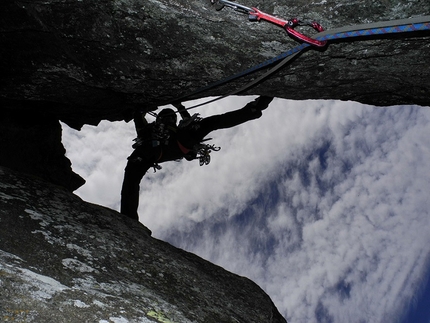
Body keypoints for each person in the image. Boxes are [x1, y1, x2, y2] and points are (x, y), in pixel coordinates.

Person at [120, 96, 274, 220]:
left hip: (160, 149)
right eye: (168, 117)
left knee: (132, 176)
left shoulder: (157, 130)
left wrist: (144, 109)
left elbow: (185, 121)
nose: (169, 119)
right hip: (171, 146)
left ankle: (128, 218)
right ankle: (253, 109)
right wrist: (177, 106)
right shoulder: (155, 130)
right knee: (209, 123)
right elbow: (141, 120)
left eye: (170, 117)